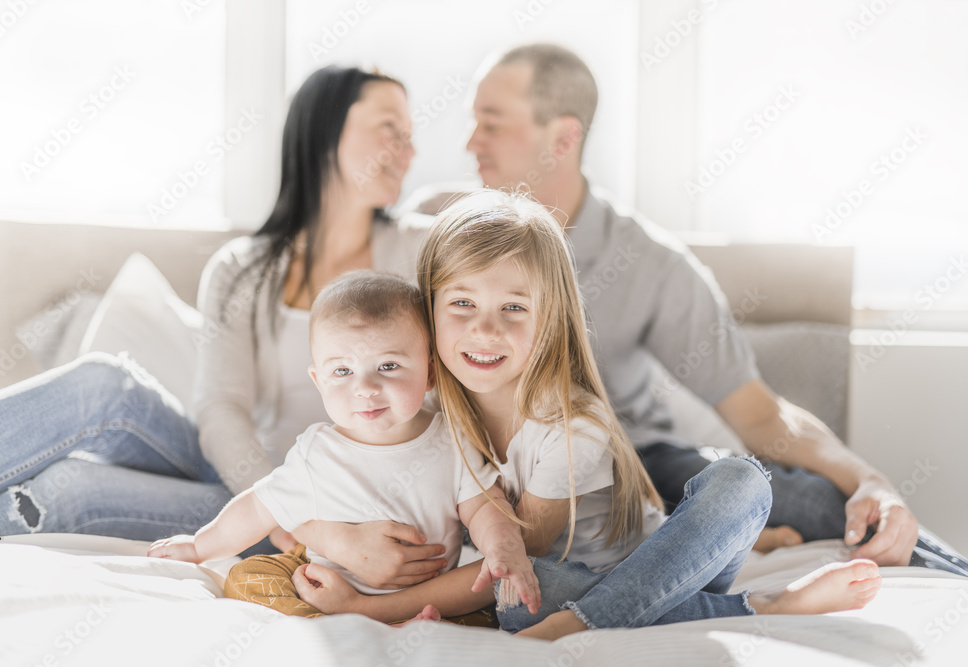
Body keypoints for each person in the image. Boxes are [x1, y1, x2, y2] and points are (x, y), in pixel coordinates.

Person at [405, 43, 966, 573]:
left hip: (633, 462)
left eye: (493, 123)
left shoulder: (652, 264)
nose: (471, 142)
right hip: (473, 451)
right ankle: (704, 540)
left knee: (802, 496)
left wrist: (872, 481)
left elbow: (760, 414)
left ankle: (949, 571)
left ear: (562, 138)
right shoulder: (431, 222)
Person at [289, 190, 882, 638]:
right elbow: (310, 487)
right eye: (462, 303)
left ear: (549, 317)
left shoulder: (570, 428)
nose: (485, 329)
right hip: (576, 580)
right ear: (429, 312)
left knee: (738, 481)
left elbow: (517, 557)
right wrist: (333, 534)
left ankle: (725, 608)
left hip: (665, 563)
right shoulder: (429, 411)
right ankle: (743, 587)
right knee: (533, 589)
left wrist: (369, 608)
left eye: (513, 307)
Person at [0, 66, 457, 587]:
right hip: (256, 485)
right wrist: (292, 510)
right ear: (325, 129)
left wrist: (304, 515)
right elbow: (222, 407)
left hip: (342, 500)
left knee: (67, 491)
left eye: (409, 136)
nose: (407, 151)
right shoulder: (242, 267)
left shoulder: (429, 249)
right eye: (389, 129)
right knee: (101, 383)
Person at [148, 271, 540, 620]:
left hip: (422, 592)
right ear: (319, 381)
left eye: (388, 365)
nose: (365, 388)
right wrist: (199, 546)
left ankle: (405, 621)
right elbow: (256, 507)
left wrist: (503, 549)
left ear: (430, 374)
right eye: (342, 371)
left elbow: (487, 507)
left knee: (486, 596)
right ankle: (331, 619)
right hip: (327, 582)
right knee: (246, 578)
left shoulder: (450, 440)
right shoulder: (318, 452)